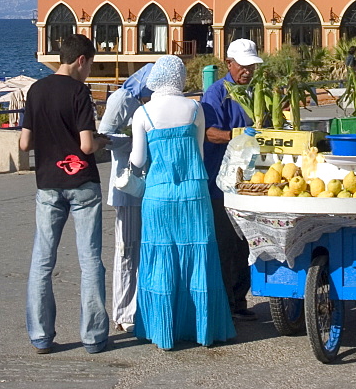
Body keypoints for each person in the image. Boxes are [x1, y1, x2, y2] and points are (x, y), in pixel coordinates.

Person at [130, 55, 234, 350]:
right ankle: (202, 329)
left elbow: (138, 160)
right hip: (195, 193)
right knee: (199, 256)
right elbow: (199, 153)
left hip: (159, 195)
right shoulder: (195, 108)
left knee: (162, 257)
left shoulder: (144, 113)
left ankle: (164, 331)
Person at [20, 34, 109, 355]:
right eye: (91, 65)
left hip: (47, 183)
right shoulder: (79, 92)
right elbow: (86, 145)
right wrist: (102, 141)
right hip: (82, 183)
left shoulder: (36, 90)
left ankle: (41, 335)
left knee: (42, 261)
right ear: (81, 60)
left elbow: (24, 143)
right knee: (89, 261)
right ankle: (93, 336)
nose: (90, 73)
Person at [201, 37, 263, 321]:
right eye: (243, 66)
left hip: (250, 181)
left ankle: (239, 300)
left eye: (252, 66)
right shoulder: (216, 93)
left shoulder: (254, 93)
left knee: (246, 243)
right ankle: (225, 303)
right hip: (220, 181)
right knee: (226, 244)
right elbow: (207, 132)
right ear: (229, 63)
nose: (248, 71)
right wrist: (235, 136)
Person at [98, 64, 153, 333]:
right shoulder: (122, 99)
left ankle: (138, 307)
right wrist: (135, 138)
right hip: (125, 184)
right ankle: (123, 312)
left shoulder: (145, 100)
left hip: (144, 184)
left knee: (140, 250)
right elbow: (103, 137)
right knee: (126, 250)